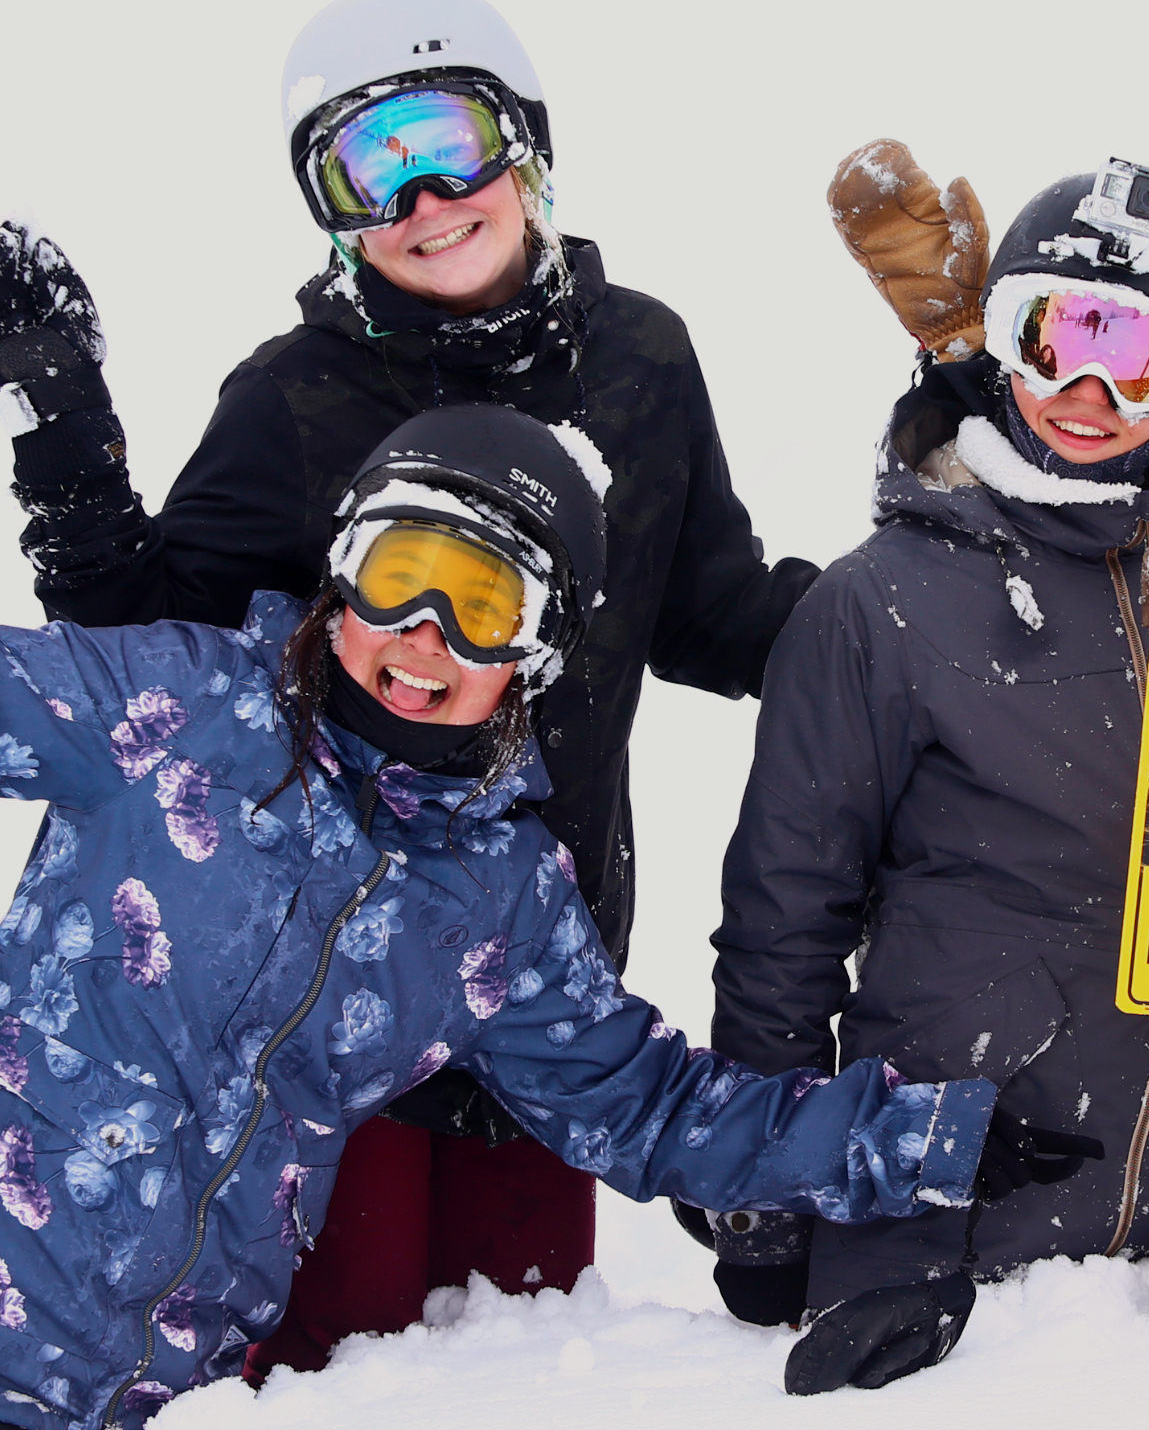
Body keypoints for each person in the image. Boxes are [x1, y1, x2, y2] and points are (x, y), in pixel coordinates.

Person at [0, 0, 817, 1374]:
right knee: (342, 1371)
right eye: (370, 169)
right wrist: (69, 447)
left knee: (523, 1356)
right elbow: (156, 652)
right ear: (331, 211)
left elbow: (715, 609)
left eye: (450, 138)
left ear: (527, 143)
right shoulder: (291, 399)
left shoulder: (643, 361)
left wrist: (920, 590)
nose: (428, 196)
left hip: (532, 984)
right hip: (328, 1019)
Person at [0, 400, 999, 1429]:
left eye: (485, 601)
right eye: (397, 573)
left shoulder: (496, 899)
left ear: (538, 648)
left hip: (159, 1398)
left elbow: (650, 1110)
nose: (425, 631)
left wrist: (926, 1140)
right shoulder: (172, 706)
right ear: (341, 573)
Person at [709, 145, 1149, 1394]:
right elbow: (785, 919)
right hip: (934, 1236)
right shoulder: (876, 604)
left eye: (1144, 355)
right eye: (1057, 333)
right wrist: (769, 1197)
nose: (1089, 389)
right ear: (1003, 340)